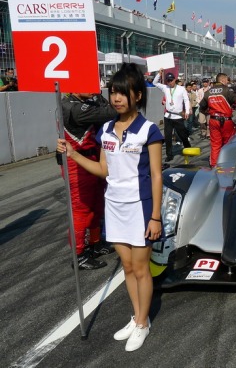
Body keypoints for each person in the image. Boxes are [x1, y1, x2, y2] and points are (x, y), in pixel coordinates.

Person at [57, 63, 163, 352]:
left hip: (141, 209)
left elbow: (156, 175)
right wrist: (73, 155)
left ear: (138, 96)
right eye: (113, 92)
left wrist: (155, 216)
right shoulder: (104, 129)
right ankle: (137, 316)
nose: (116, 98)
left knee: (142, 269)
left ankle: (142, 323)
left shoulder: (149, 130)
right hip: (114, 208)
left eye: (122, 93)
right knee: (127, 268)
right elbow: (104, 170)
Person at [59, 92, 118, 270]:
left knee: (96, 206)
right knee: (80, 210)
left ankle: (95, 243)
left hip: (94, 161)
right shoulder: (71, 106)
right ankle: (79, 255)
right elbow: (110, 112)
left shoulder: (85, 101)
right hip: (76, 164)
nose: (94, 89)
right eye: (88, 84)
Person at [199, 72, 236, 167]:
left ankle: (214, 165)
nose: (227, 82)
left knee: (215, 144)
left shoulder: (208, 92)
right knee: (228, 143)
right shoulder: (226, 90)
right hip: (226, 121)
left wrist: (208, 111)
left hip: (213, 120)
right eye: (227, 80)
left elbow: (202, 105)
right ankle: (227, 163)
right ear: (222, 80)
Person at [153, 69, 191, 162]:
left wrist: (187, 112)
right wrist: (159, 74)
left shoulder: (181, 89)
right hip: (168, 116)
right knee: (168, 136)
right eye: (168, 81)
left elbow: (186, 100)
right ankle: (169, 155)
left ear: (175, 79)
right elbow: (154, 82)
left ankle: (188, 148)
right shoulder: (165, 88)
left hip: (178, 117)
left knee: (183, 135)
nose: (170, 82)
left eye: (171, 80)